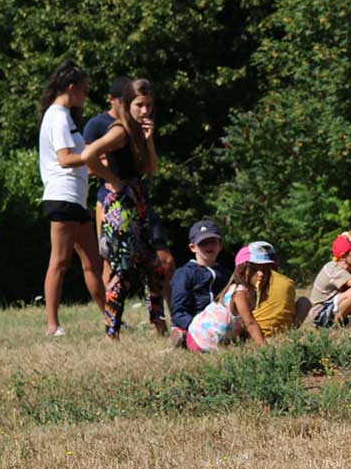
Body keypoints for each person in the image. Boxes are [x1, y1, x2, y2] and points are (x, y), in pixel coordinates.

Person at [84, 77, 173, 326]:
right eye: (139, 105)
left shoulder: (135, 131)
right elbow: (88, 154)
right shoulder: (119, 130)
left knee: (155, 267)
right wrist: (111, 179)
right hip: (120, 208)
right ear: (127, 105)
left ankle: (159, 324)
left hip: (138, 202)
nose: (145, 111)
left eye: (148, 105)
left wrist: (149, 140)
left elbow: (150, 169)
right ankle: (112, 331)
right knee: (120, 270)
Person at [36, 60, 109, 336]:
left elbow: (81, 160)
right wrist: (93, 154)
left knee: (93, 262)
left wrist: (100, 160)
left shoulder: (65, 117)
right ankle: (52, 326)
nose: (86, 95)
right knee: (60, 261)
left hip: (76, 199)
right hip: (61, 196)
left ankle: (110, 319)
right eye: (84, 90)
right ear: (71, 88)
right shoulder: (57, 116)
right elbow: (66, 159)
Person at [186, 245, 269, 352]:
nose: (261, 274)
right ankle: (183, 338)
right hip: (200, 339)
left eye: (265, 270)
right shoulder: (240, 292)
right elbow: (250, 323)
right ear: (241, 271)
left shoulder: (249, 291)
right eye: (254, 270)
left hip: (199, 332)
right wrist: (265, 348)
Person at [168, 220, 230, 348]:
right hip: (195, 321)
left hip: (220, 320)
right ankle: (183, 336)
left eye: (213, 241)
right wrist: (194, 325)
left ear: (220, 245)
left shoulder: (226, 273)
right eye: (203, 243)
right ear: (192, 247)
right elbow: (178, 309)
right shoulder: (184, 273)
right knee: (199, 339)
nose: (209, 246)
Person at [246, 241, 310, 338]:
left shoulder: (253, 281)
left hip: (255, 334)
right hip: (283, 330)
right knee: (304, 301)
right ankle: (292, 332)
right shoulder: (288, 282)